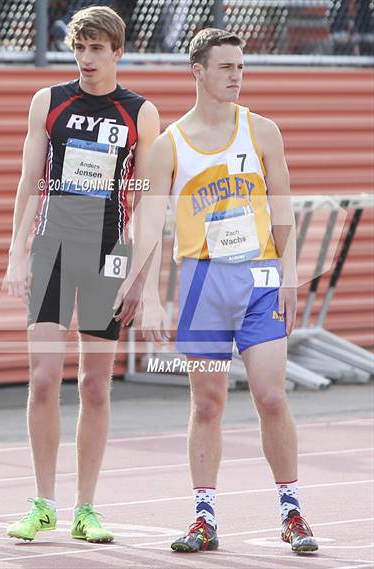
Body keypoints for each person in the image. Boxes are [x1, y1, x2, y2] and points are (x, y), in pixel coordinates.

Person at [116, 28, 319, 554]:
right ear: (198, 71)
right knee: (207, 404)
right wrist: (155, 295)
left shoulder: (263, 131)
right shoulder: (169, 146)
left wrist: (290, 276)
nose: (236, 75)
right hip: (203, 280)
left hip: (259, 276)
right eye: (226, 66)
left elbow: (282, 210)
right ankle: (204, 517)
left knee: (272, 397)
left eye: (241, 67)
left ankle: (292, 512)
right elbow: (150, 224)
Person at [6, 5, 159, 543]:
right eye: (79, 48)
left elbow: (148, 201)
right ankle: (43, 502)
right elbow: (29, 181)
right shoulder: (48, 102)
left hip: (107, 253)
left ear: (118, 51)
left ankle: (85, 509)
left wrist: (139, 278)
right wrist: (16, 256)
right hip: (52, 247)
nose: (87, 59)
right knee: (44, 381)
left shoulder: (139, 112)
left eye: (97, 48)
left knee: (95, 386)